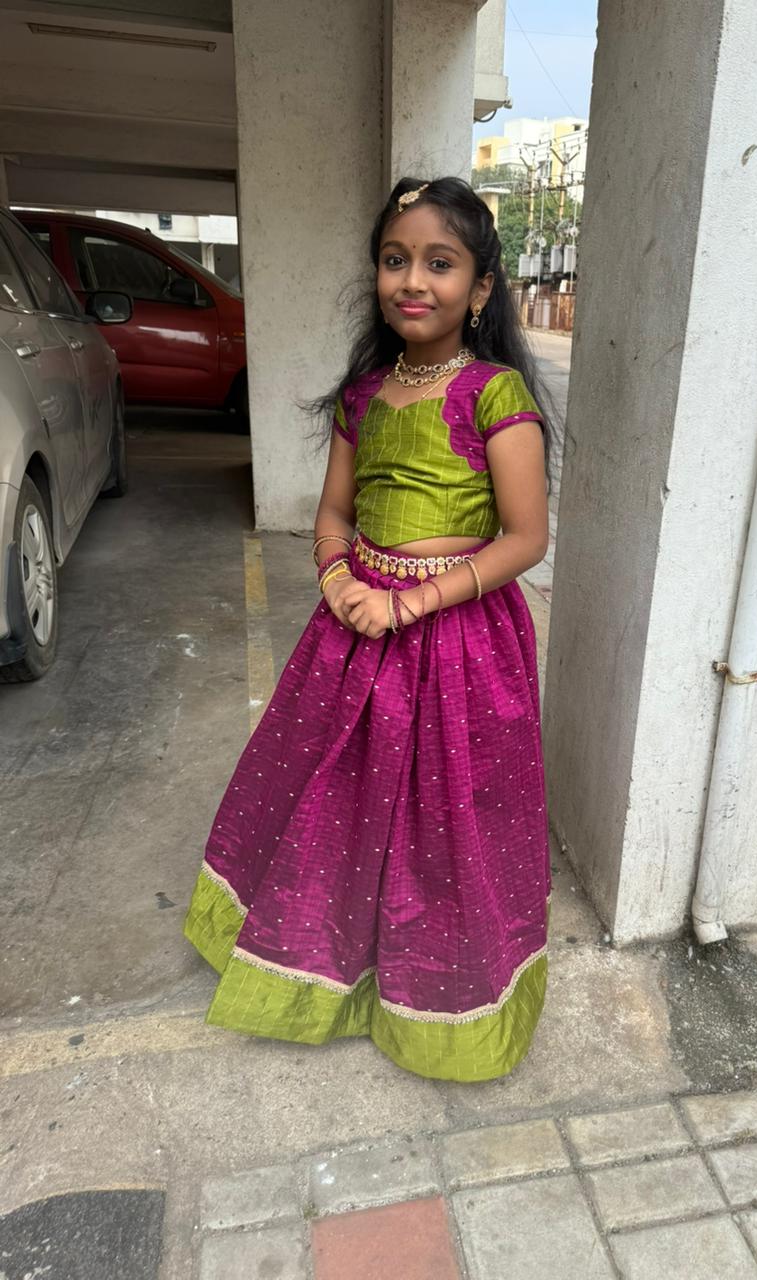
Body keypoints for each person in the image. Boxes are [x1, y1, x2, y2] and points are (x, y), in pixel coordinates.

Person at [183, 176, 553, 1082]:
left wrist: (413, 602)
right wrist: (338, 578)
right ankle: (333, 965)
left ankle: (438, 993)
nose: (412, 280)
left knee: (445, 814)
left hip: (458, 636)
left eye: (440, 263)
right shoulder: (362, 397)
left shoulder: (494, 394)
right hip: (354, 626)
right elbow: (333, 515)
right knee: (340, 794)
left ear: (481, 287)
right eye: (395, 260)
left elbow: (526, 538)